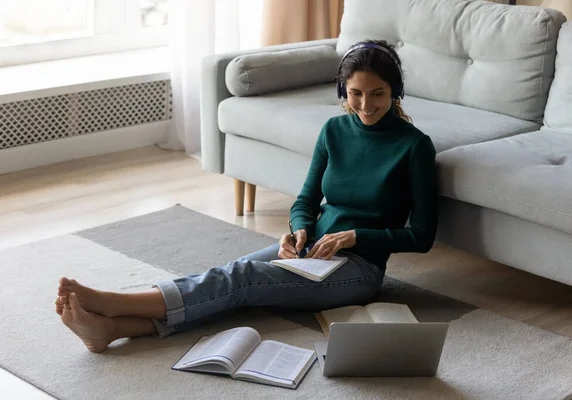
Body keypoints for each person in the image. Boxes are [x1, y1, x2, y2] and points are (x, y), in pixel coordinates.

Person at [55, 39, 438, 353]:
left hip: (359, 269)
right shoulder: (334, 131)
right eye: (355, 93)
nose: (366, 105)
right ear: (343, 91)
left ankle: (114, 303)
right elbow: (305, 200)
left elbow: (422, 236)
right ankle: (117, 329)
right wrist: (299, 230)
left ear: (395, 92)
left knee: (242, 278)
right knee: (230, 281)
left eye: (378, 94)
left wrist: (356, 237)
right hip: (311, 253)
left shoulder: (414, 147)